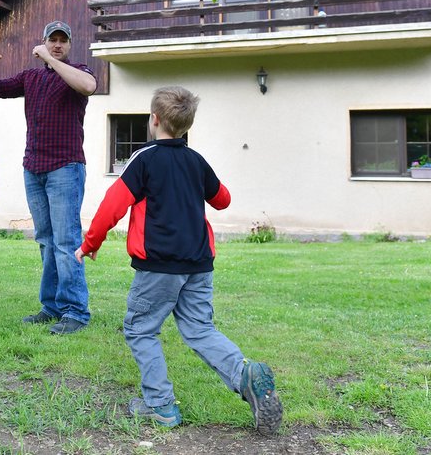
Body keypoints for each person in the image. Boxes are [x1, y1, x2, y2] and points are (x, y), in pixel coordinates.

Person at [74, 86, 283, 434]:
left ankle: (159, 406)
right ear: (187, 125)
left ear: (154, 120)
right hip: (199, 265)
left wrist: (90, 243)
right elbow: (223, 200)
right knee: (200, 329)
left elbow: (113, 204)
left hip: (159, 266)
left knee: (140, 329)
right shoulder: (196, 161)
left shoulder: (144, 159)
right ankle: (244, 374)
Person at [0, 20, 96, 335]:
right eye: (52, 40)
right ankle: (52, 307)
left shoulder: (78, 72)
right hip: (34, 168)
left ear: (68, 46)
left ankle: (75, 312)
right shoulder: (30, 78)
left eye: (62, 41)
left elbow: (88, 87)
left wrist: (51, 59)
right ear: (44, 40)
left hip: (65, 169)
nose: (57, 45)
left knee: (67, 241)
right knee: (46, 241)